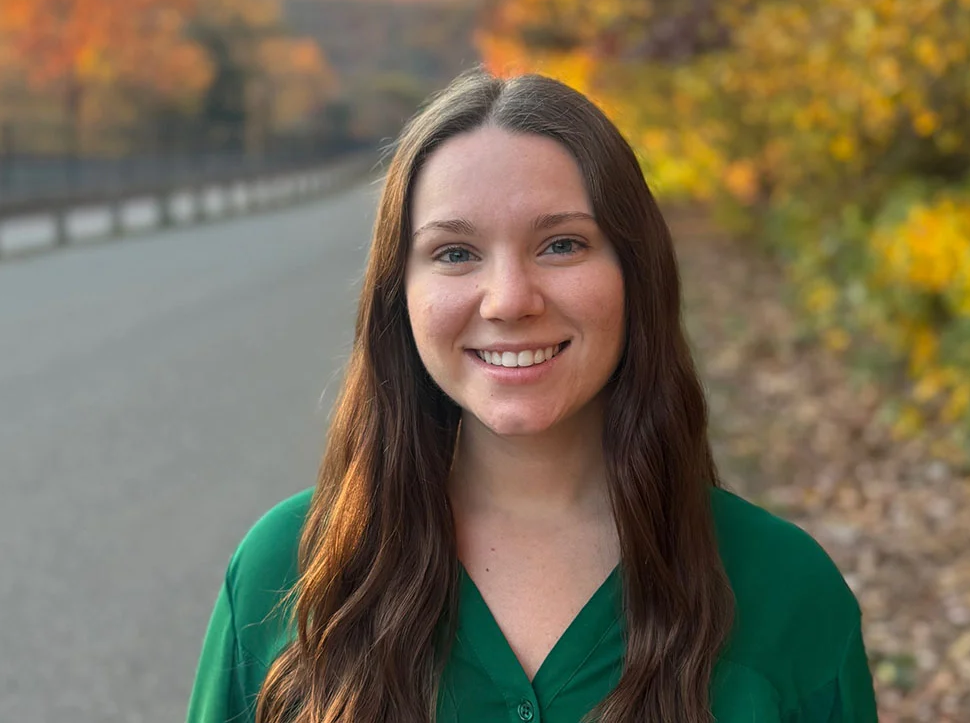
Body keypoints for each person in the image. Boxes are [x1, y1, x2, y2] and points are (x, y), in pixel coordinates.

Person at [185, 68, 879, 723]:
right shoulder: (287, 575)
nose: (510, 298)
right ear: (400, 296)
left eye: (563, 244)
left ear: (637, 274)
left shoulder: (788, 592)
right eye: (455, 253)